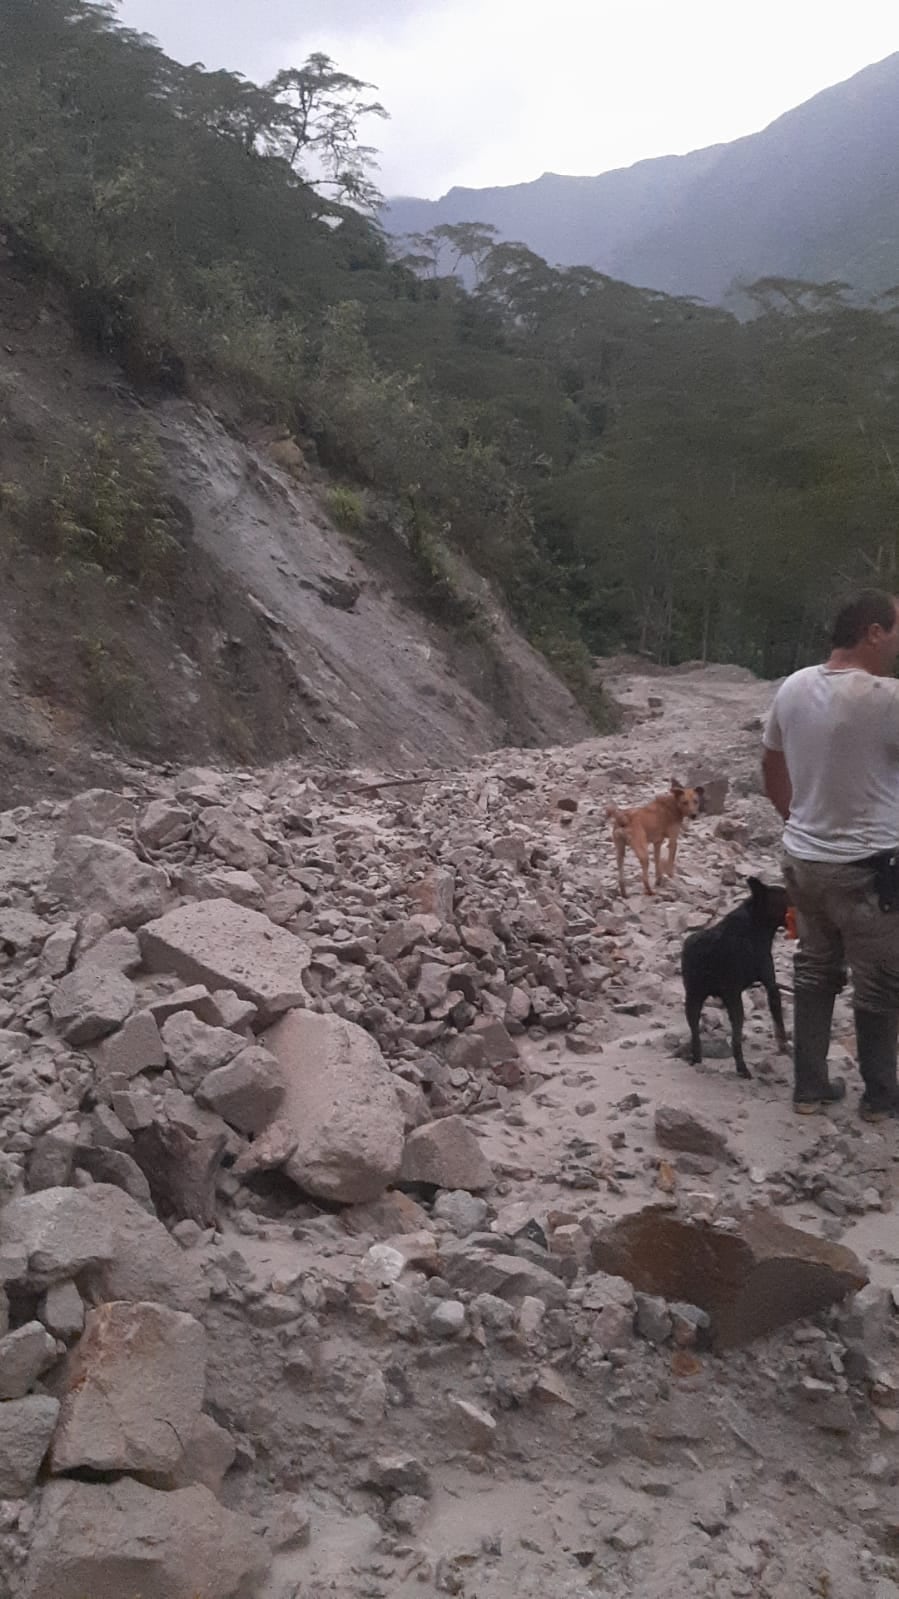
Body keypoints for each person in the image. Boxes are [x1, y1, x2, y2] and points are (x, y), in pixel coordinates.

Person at [762, 589, 899, 1118]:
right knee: (881, 981)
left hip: (802, 861)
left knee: (815, 969)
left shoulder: (794, 687)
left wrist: (795, 820)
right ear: (873, 632)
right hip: (867, 869)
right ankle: (882, 1096)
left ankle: (811, 1087)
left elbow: (771, 763)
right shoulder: (885, 698)